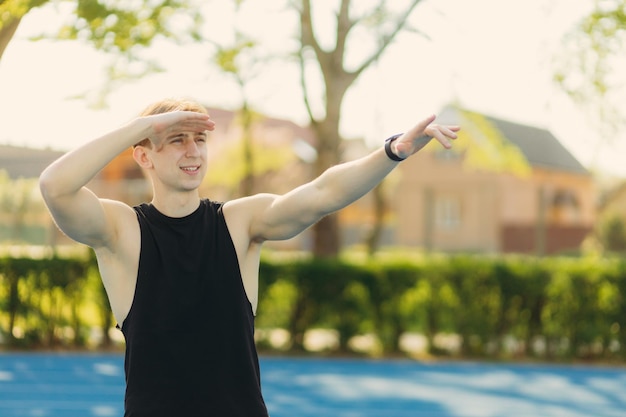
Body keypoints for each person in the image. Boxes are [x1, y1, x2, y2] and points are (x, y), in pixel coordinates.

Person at [39, 98, 460, 417]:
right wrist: (146, 125)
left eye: (200, 139)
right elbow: (55, 186)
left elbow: (323, 193)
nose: (193, 151)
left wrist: (393, 152)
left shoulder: (240, 222)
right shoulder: (122, 230)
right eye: (176, 140)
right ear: (143, 154)